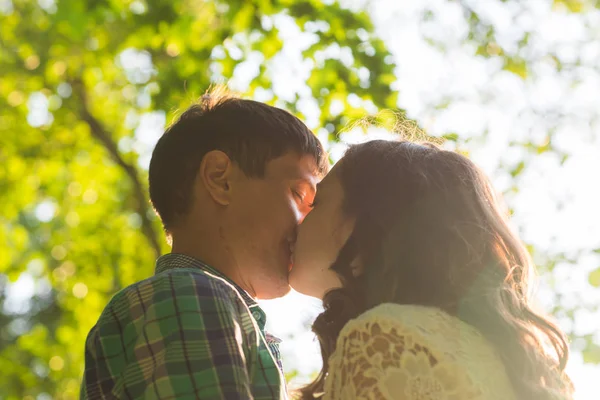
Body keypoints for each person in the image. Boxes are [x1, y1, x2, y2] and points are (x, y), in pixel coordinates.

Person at [80, 88, 327, 399]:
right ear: (220, 178)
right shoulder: (192, 294)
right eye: (299, 195)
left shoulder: (207, 306)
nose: (308, 225)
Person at [290, 140, 574, 399]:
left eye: (316, 203)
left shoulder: (385, 337)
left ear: (367, 229)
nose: (299, 218)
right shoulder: (492, 353)